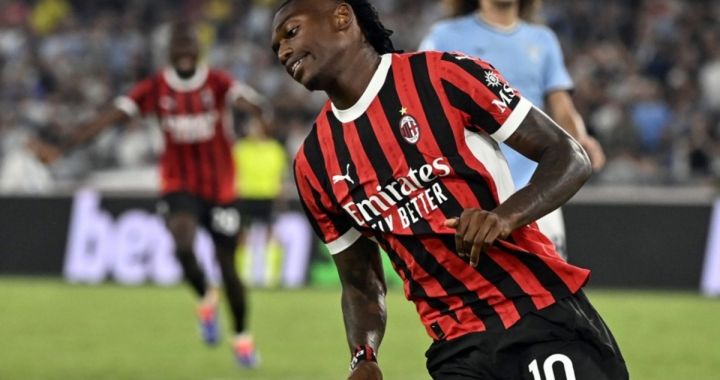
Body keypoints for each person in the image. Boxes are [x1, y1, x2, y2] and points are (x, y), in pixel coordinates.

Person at [271, 1, 628, 379]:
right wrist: (364, 355)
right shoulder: (313, 164)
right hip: (457, 351)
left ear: (342, 17)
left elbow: (569, 156)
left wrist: (503, 217)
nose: (283, 52)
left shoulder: (443, 76)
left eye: (290, 33)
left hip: (539, 316)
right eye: (276, 47)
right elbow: (360, 283)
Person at [47, 21, 267, 368]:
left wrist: (254, 109)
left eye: (188, 46)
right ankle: (204, 297)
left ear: (198, 50)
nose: (183, 53)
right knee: (181, 246)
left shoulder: (218, 82)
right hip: (179, 183)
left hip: (222, 189)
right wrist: (66, 147)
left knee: (229, 271)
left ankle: (241, 337)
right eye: (177, 48)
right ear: (168, 54)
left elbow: (247, 98)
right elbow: (111, 117)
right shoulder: (155, 88)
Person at [419, 0, 606, 259]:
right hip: (473, 190)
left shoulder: (543, 39)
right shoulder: (444, 36)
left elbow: (562, 106)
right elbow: (421, 102)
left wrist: (580, 137)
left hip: (537, 187)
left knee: (553, 285)